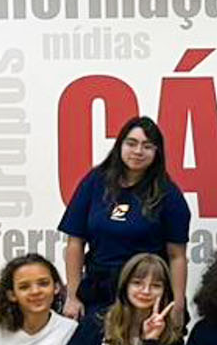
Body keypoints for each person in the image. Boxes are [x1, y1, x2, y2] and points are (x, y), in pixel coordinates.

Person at [58, 115, 190, 317]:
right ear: (120, 145)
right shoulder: (95, 181)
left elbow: (176, 256)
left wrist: (177, 304)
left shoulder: (168, 194)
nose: (138, 151)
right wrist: (73, 297)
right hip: (99, 292)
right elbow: (75, 242)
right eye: (131, 143)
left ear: (157, 152)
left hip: (144, 296)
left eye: (147, 146)